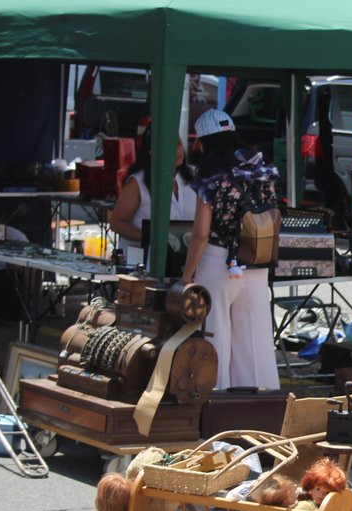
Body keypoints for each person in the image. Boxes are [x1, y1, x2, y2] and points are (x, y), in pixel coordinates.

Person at [181, 108, 280, 390]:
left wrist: (187, 277)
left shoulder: (209, 173)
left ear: (203, 141)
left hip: (218, 262)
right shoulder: (261, 168)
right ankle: (261, 413)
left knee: (215, 340)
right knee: (255, 342)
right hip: (256, 261)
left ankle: (215, 408)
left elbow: (200, 234)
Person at [107, 135, 197, 266]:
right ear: (151, 152)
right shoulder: (137, 183)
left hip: (182, 261)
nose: (177, 150)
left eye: (178, 144)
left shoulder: (192, 177)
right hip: (141, 263)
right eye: (169, 146)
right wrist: (151, 238)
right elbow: (116, 223)